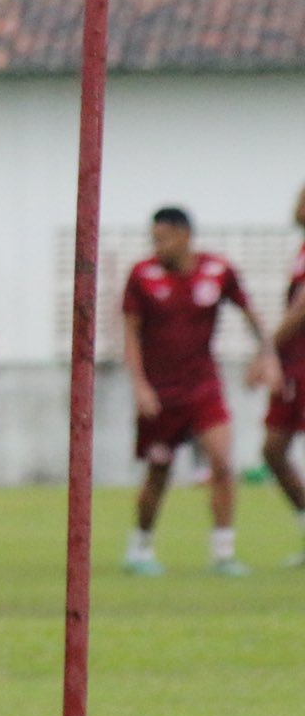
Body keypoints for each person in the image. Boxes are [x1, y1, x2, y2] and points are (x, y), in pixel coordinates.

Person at [120, 207, 279, 577]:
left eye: (163, 238)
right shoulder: (142, 275)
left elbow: (250, 313)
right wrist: (139, 385)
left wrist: (267, 355)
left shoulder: (217, 271)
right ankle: (140, 548)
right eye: (153, 239)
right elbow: (130, 333)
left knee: (223, 464)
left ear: (185, 235)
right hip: (160, 394)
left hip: (203, 386)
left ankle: (224, 553)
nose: (157, 246)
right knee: (158, 471)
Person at [268, 185, 305, 567]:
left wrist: (266, 348)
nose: (295, 208)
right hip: (293, 367)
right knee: (273, 449)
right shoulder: (300, 252)